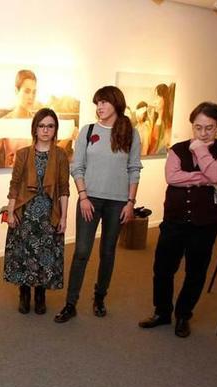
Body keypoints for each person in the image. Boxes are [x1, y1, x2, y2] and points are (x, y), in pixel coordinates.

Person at [138, 102, 217, 337]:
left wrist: (201, 153)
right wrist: (205, 178)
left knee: (195, 272)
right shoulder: (177, 149)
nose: (203, 133)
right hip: (174, 221)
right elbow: (172, 177)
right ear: (192, 126)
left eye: (209, 128)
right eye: (198, 127)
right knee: (163, 269)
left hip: (204, 225)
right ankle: (162, 312)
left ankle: (183, 315)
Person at [55, 86, 142, 323]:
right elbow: (77, 166)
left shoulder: (131, 134)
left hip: (118, 203)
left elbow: (134, 169)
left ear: (116, 103)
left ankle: (99, 297)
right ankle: (70, 303)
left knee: (108, 252)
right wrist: (83, 196)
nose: (100, 107)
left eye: (104, 102)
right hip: (89, 200)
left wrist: (130, 202)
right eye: (97, 103)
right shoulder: (88, 130)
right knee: (82, 251)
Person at [4, 108, 69, 314]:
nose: (45, 130)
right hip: (26, 213)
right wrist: (12, 211)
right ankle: (24, 294)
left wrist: (64, 217)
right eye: (41, 125)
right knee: (23, 255)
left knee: (45, 255)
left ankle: (40, 294)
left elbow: (64, 188)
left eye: (50, 126)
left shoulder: (60, 155)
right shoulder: (23, 154)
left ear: (55, 129)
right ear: (35, 128)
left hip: (49, 214)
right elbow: (14, 185)